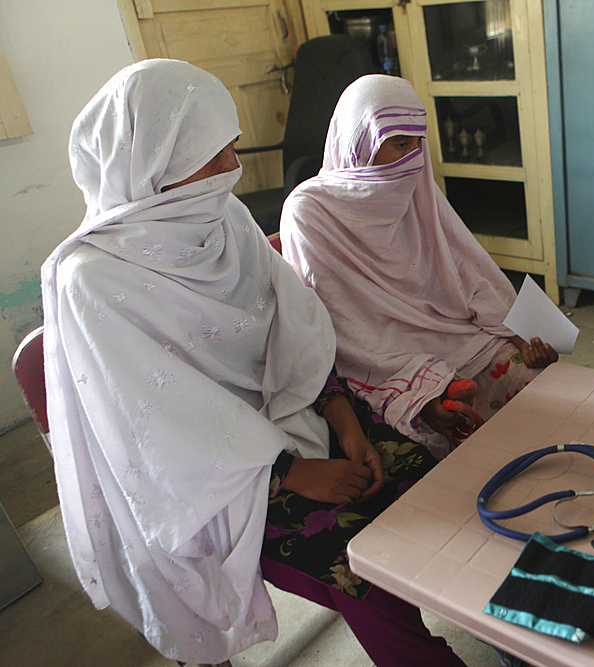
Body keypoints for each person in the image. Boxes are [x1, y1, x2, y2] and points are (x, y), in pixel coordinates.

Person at [43, 59, 466, 666]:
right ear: (152, 160)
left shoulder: (226, 218)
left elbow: (296, 330)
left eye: (231, 148)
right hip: (219, 485)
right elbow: (150, 429)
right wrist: (290, 474)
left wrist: (345, 420)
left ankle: (503, 620)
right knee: (367, 572)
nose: (230, 170)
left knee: (436, 487)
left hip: (303, 417)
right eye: (210, 153)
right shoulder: (94, 280)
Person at [281, 74, 557, 459]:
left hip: (457, 337)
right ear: (360, 143)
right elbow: (340, 325)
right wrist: (418, 383)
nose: (413, 157)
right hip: (384, 362)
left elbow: (467, 269)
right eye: (399, 143)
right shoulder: (309, 212)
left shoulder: (413, 185)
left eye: (418, 143)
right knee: (461, 442)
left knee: (549, 399)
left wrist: (523, 337)